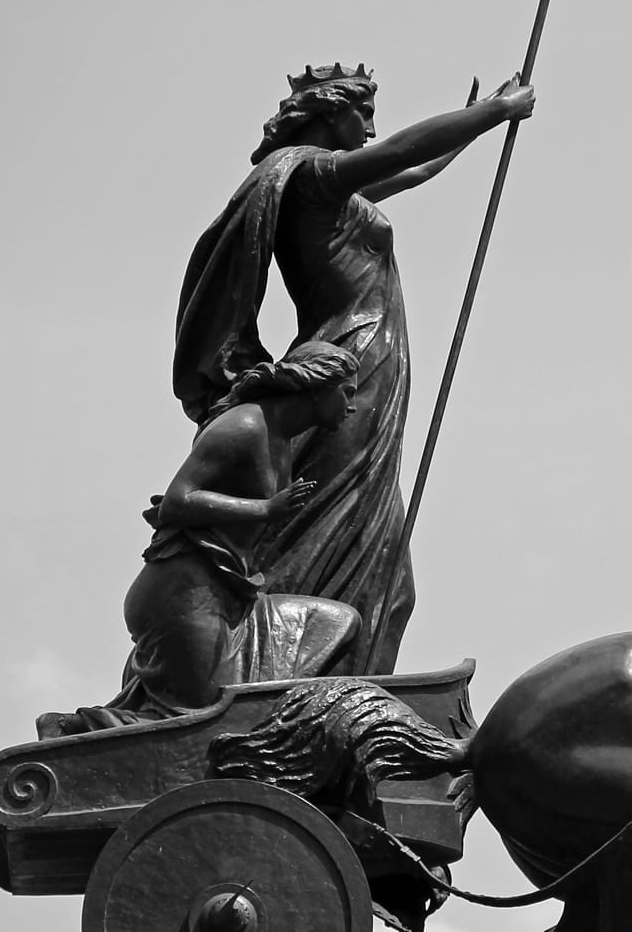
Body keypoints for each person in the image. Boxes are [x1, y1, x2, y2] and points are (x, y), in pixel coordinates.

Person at [173, 62, 536, 675]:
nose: (370, 125)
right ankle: (276, 670)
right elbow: (400, 148)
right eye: (360, 112)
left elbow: (412, 166)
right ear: (327, 112)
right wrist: (491, 115)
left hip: (373, 362)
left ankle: (351, 678)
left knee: (385, 564)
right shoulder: (313, 175)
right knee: (330, 521)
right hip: (349, 364)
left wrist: (476, 125)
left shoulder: (332, 188)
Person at [37, 342, 364, 738]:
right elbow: (178, 500)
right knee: (200, 722)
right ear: (317, 386)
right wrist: (265, 510)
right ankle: (72, 731)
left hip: (231, 596)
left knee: (336, 622)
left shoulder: (283, 440)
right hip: (184, 592)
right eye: (347, 391)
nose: (353, 405)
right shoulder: (244, 426)